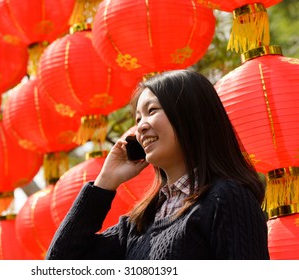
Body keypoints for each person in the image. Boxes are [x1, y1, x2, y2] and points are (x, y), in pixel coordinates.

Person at [45, 69, 269, 260]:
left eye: (151, 111)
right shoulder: (140, 224)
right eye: (138, 119)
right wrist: (105, 183)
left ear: (190, 115)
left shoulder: (226, 199)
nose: (140, 127)